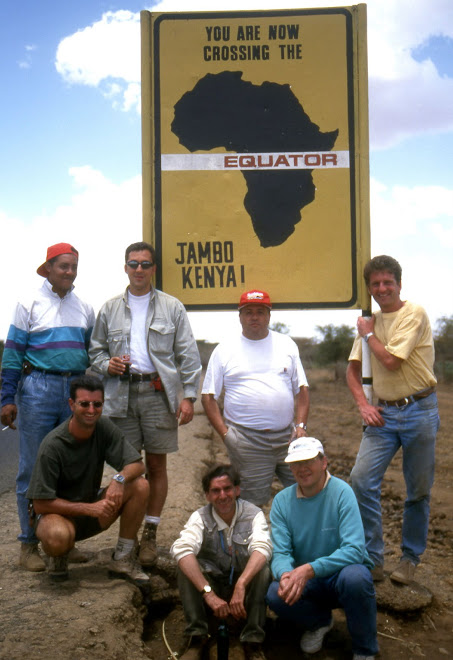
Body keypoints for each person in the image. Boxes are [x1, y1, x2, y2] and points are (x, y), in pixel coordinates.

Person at [89, 241, 201, 568]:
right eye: (133, 263)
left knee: (156, 467)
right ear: (125, 267)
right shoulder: (109, 309)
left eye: (145, 264)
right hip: (120, 397)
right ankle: (128, 539)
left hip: (157, 394)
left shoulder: (172, 307)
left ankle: (150, 535)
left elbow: (188, 357)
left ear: (153, 269)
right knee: (128, 470)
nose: (139, 269)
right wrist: (105, 364)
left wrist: (188, 397)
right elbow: (94, 351)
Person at [0, 242, 95, 572]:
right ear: (48, 268)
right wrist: (7, 398)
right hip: (37, 387)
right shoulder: (29, 303)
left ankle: (64, 542)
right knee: (31, 466)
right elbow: (12, 354)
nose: (69, 272)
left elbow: (90, 352)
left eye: (73, 266)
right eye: (63, 266)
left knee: (69, 466)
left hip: (74, 388)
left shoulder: (85, 307)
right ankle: (28, 545)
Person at [347, 255, 440, 585]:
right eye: (376, 284)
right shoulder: (369, 321)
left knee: (417, 490)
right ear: (369, 289)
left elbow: (390, 361)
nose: (382, 288)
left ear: (399, 284)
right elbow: (353, 371)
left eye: (388, 282)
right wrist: (363, 405)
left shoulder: (412, 313)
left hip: (419, 410)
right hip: (383, 415)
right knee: (360, 481)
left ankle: (409, 559)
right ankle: (373, 558)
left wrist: (368, 335)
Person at [26, 374, 150, 583]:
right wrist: (90, 509)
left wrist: (118, 480)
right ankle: (58, 555)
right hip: (55, 516)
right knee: (58, 537)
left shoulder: (103, 427)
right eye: (84, 404)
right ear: (71, 404)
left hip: (91, 511)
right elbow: (40, 504)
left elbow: (138, 464)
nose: (92, 410)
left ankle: (123, 557)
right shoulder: (53, 446)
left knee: (140, 485)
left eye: (97, 404)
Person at [266, 437, 378, 660]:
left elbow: (355, 549)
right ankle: (319, 622)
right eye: (296, 463)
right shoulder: (281, 501)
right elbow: (281, 553)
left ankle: (364, 650)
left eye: (308, 461)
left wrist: (309, 569)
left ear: (324, 462)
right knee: (275, 594)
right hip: (307, 581)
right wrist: (286, 575)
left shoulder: (342, 492)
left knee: (356, 578)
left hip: (340, 576)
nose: (302, 468)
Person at [202, 289, 309, 507]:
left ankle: (295, 541)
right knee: (251, 506)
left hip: (288, 439)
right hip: (247, 441)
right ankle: (251, 541)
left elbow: (303, 390)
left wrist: (301, 426)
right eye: (248, 312)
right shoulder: (224, 350)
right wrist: (225, 435)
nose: (254, 317)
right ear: (239, 316)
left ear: (269, 316)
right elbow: (208, 397)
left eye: (260, 312)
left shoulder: (286, 344)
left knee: (304, 496)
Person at [171, 464, 272, 660]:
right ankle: (197, 636)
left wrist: (241, 584)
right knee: (185, 566)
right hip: (213, 586)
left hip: (242, 588)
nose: (223, 495)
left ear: (237, 490)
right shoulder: (199, 517)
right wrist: (208, 594)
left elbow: (262, 548)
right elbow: (181, 550)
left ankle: (253, 640)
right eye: (215, 491)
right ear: (207, 495)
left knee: (264, 569)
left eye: (227, 488)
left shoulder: (253, 515)